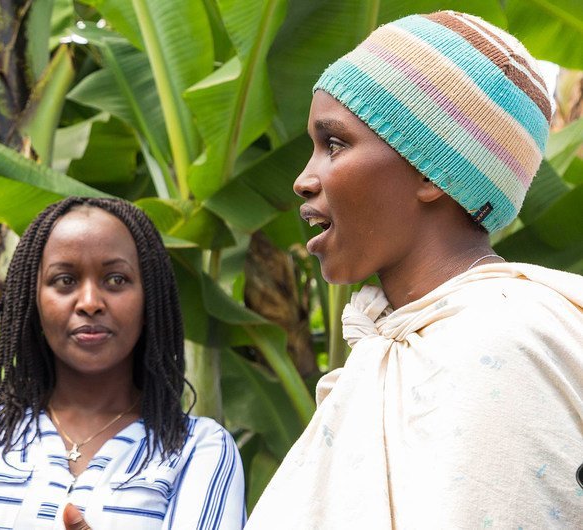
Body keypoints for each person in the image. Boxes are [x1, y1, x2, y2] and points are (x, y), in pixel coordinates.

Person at [248, 10, 583, 528]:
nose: (303, 179)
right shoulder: (392, 348)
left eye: (334, 144)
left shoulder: (498, 341)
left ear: (433, 171)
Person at [0, 197, 245, 529]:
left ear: (149, 298)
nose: (90, 302)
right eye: (65, 280)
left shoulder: (199, 449)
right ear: (34, 301)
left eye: (116, 279)